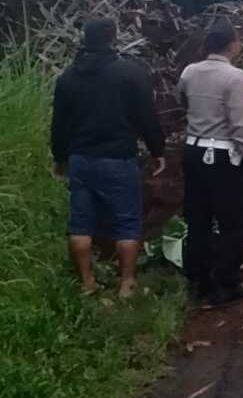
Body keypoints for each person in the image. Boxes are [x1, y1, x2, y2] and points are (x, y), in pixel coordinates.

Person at [51, 18, 166, 298]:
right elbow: (147, 117)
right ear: (112, 38)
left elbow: (60, 124)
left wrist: (60, 157)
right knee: (127, 223)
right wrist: (157, 151)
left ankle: (87, 282)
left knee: (80, 224)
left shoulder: (68, 78)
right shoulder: (130, 73)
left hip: (81, 159)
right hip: (119, 158)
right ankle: (127, 283)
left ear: (85, 39)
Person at [177, 18, 243, 306]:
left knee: (197, 218)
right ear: (232, 45)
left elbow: (183, 101)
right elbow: (240, 124)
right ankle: (227, 282)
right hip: (223, 156)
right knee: (230, 221)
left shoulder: (190, 72)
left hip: (193, 151)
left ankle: (198, 281)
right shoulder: (235, 77)